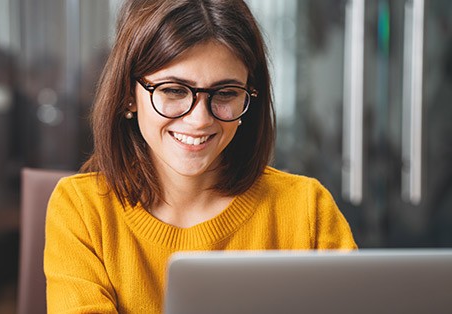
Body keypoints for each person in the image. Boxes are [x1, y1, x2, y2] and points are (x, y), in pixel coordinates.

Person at [44, 0, 357, 313]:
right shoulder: (82, 210)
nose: (199, 120)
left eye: (225, 94)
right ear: (128, 95)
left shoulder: (306, 209)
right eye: (174, 91)